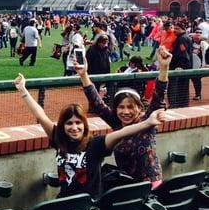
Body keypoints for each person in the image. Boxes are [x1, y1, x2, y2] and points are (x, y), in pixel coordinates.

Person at [14, 72, 165, 198]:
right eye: (69, 123)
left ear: (85, 125)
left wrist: (148, 123)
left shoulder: (95, 144)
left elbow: (121, 133)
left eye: (78, 123)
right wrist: (23, 91)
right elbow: (41, 117)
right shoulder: (60, 139)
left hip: (139, 188)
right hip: (66, 200)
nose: (74, 127)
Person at [75, 46, 171, 188]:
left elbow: (158, 96)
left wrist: (164, 67)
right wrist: (83, 75)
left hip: (150, 186)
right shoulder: (116, 123)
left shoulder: (147, 121)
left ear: (140, 108)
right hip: (125, 185)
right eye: (121, 107)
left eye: (131, 107)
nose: (126, 112)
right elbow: (97, 103)